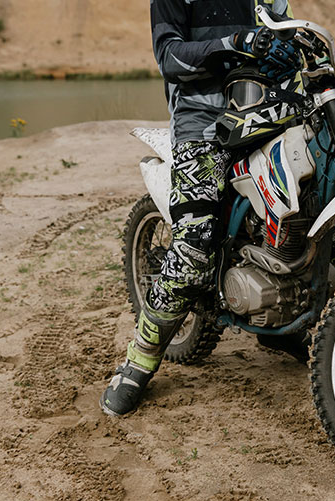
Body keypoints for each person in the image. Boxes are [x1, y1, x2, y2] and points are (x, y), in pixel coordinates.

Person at [99, 0, 305, 417]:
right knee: (193, 251)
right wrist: (236, 42)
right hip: (204, 123)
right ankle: (140, 359)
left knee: (314, 222)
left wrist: (292, 47)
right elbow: (169, 55)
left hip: (270, 113)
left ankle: (279, 324)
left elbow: (280, 29)